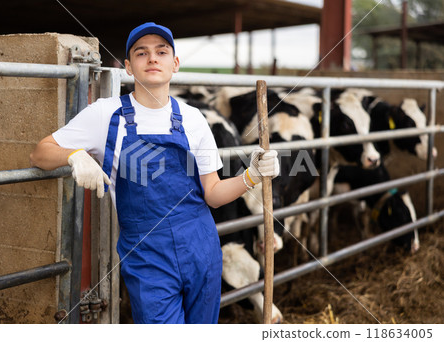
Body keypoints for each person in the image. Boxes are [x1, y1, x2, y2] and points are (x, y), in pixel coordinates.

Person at [30, 22, 280, 324]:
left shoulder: (194, 119)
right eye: (141, 52)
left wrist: (251, 176)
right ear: (128, 67)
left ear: (174, 64)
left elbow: (212, 194)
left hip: (202, 248)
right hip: (147, 255)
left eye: (161, 52)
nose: (152, 58)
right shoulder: (105, 115)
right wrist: (74, 155)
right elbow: (40, 153)